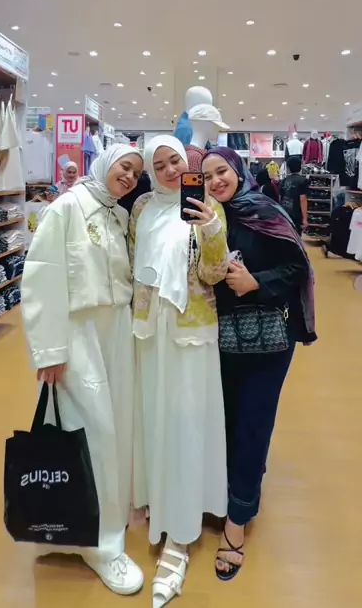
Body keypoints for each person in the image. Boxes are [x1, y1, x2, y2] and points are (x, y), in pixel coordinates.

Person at [21, 144, 145, 595]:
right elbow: (42, 274)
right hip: (79, 332)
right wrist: (49, 349)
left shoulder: (119, 215)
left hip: (117, 330)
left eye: (136, 173)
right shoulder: (67, 207)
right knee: (93, 433)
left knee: (116, 429)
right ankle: (103, 546)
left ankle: (89, 522)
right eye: (124, 167)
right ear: (105, 164)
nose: (129, 177)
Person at [201, 147, 316, 581]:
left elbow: (297, 266)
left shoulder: (264, 211)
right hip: (221, 339)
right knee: (229, 421)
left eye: (222, 171)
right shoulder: (208, 217)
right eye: (207, 176)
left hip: (267, 341)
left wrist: (256, 282)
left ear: (238, 171)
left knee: (252, 423)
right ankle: (239, 489)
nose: (216, 181)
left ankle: (237, 522)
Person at [129, 135, 229, 607]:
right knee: (155, 417)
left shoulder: (206, 204)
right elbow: (134, 263)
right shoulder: (141, 207)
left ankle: (181, 532)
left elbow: (213, 273)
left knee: (186, 422)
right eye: (161, 165)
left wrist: (210, 229)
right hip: (149, 330)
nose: (171, 171)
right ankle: (159, 499)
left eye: (176, 161)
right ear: (151, 171)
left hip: (190, 329)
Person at [279, 155, 308, 234]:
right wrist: (305, 218)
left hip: (285, 214)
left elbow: (280, 198)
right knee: (296, 236)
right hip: (296, 215)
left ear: (288, 168)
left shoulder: (283, 181)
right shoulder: (303, 181)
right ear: (300, 166)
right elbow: (302, 199)